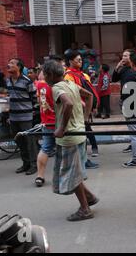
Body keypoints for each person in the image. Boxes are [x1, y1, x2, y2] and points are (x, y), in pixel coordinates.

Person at [42, 59, 99, 221]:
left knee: (72, 174)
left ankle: (85, 209)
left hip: (69, 137)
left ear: (51, 75)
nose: (44, 77)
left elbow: (67, 104)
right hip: (79, 133)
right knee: (74, 172)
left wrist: (61, 128)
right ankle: (89, 197)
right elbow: (88, 96)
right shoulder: (71, 84)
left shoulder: (57, 87)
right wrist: (86, 117)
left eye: (45, 74)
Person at [64, 51, 100, 162]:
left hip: (85, 107)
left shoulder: (84, 75)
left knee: (86, 128)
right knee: (82, 131)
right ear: (70, 61)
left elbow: (90, 91)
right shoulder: (68, 76)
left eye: (81, 59)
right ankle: (84, 158)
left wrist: (93, 105)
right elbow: (72, 92)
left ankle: (90, 150)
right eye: (77, 59)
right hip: (77, 108)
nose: (80, 61)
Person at [6, 58, 39, 175]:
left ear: (19, 67)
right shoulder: (8, 80)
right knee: (20, 142)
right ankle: (25, 164)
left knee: (30, 142)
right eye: (9, 63)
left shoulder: (27, 81)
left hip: (26, 117)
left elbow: (34, 98)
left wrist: (32, 111)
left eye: (11, 63)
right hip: (13, 117)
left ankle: (34, 165)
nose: (8, 65)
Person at [112, 49, 136, 155]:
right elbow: (113, 79)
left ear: (131, 58)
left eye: (126, 56)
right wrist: (117, 67)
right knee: (130, 125)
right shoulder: (123, 69)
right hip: (125, 100)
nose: (123, 58)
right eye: (122, 56)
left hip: (134, 101)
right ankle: (134, 144)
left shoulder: (135, 70)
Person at [34, 65, 57, 187]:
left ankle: (40, 176)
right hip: (58, 123)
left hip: (46, 121)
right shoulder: (55, 86)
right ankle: (61, 175)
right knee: (63, 149)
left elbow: (40, 103)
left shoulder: (39, 86)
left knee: (45, 148)